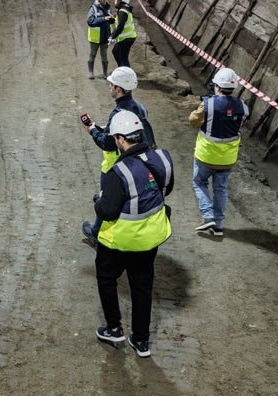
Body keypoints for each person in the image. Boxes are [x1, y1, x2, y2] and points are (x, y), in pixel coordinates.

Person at [93, 110, 174, 358]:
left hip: (120, 241)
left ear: (119, 139)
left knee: (106, 278)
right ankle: (141, 341)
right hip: (151, 237)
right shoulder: (163, 157)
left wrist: (98, 200)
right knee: (142, 287)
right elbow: (165, 189)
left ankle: (114, 328)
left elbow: (107, 212)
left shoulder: (118, 173)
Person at [81, 66, 155, 242]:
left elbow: (107, 143)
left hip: (116, 163)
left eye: (111, 84)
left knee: (108, 197)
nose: (109, 87)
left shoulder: (117, 113)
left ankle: (96, 232)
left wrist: (92, 130)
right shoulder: (139, 107)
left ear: (118, 89)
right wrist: (104, 129)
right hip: (139, 160)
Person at [190, 67, 250, 239]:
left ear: (216, 86)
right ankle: (219, 225)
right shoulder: (243, 107)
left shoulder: (208, 104)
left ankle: (208, 216)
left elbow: (193, 121)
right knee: (221, 189)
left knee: (199, 183)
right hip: (228, 158)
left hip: (206, 155)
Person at [86, 0, 114, 79]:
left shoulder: (108, 8)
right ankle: (91, 72)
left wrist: (112, 18)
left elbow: (110, 21)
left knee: (104, 56)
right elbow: (90, 21)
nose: (106, 0)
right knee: (92, 54)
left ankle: (105, 73)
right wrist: (103, 19)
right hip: (95, 37)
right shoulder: (93, 8)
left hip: (105, 36)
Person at [109, 0, 137, 68]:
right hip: (127, 38)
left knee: (123, 58)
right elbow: (118, 25)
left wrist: (113, 36)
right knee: (115, 52)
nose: (115, 1)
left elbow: (120, 26)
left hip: (127, 38)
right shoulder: (123, 10)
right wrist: (112, 35)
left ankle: (126, 74)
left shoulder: (123, 12)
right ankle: (121, 69)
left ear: (121, 1)